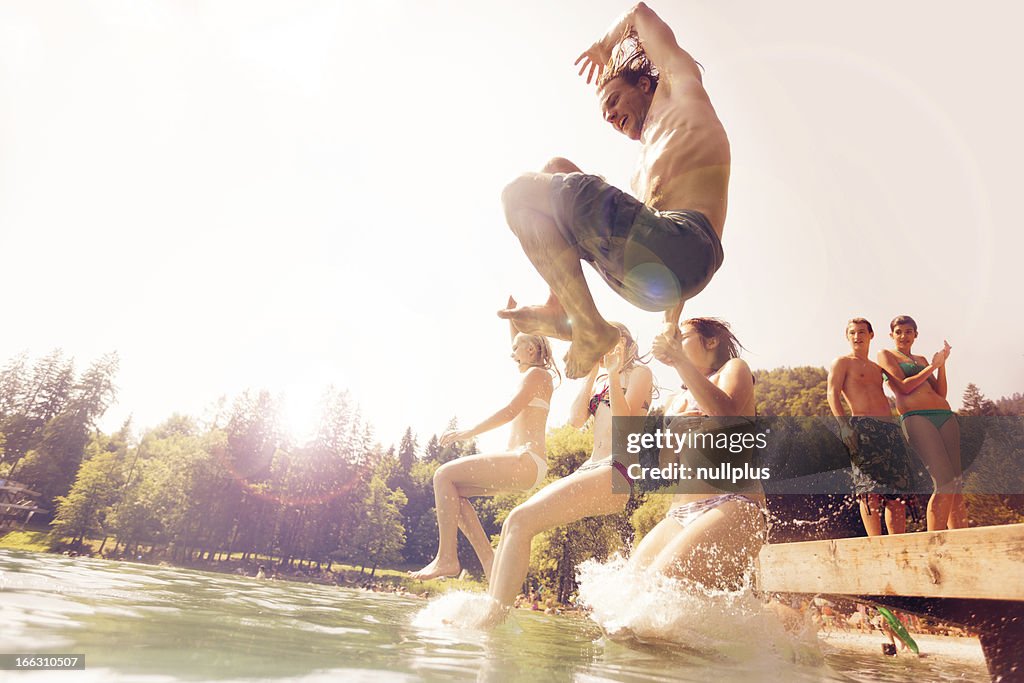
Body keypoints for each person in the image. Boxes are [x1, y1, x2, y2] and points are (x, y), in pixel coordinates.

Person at [498, 2, 730, 378]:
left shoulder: (680, 92)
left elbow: (639, 12)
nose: (609, 116)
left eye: (613, 101)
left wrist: (604, 47)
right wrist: (671, 322)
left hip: (688, 241)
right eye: (604, 114)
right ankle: (566, 308)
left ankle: (587, 325)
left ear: (644, 85)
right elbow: (672, 272)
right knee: (554, 171)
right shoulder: (644, 168)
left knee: (518, 193)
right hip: (653, 280)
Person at [482, 324, 653, 621]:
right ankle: (490, 610)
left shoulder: (639, 374)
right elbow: (575, 420)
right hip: (592, 468)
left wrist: (612, 372)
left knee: (522, 520)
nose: (602, 348)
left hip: (617, 471)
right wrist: (592, 372)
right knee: (514, 521)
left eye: (607, 341)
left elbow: (625, 421)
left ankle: (492, 619)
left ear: (624, 342)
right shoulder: (600, 378)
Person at [409, 298, 558, 580]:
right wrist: (513, 321)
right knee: (453, 491)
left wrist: (468, 432)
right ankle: (489, 562)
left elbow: (510, 410)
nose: (512, 354)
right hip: (525, 464)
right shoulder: (536, 373)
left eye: (516, 349)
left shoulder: (537, 375)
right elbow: (523, 342)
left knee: (443, 475)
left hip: (526, 460)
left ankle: (446, 558)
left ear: (530, 349)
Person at [629, 318, 766, 588]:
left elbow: (725, 414)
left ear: (711, 341)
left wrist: (680, 361)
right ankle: (777, 620)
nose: (675, 340)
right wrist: (672, 435)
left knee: (659, 590)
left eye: (683, 336)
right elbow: (667, 467)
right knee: (629, 590)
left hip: (733, 503)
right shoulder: (673, 400)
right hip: (680, 512)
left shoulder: (734, 369)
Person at [827, 318, 915, 536]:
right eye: (853, 333)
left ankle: (898, 543)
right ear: (847, 337)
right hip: (862, 428)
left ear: (871, 335)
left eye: (862, 332)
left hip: (889, 430)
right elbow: (832, 393)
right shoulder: (842, 362)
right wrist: (844, 426)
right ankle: (875, 544)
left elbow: (902, 388)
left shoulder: (878, 368)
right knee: (869, 492)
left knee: (897, 493)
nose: (857, 337)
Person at [877, 315, 965, 531]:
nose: (903, 336)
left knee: (957, 484)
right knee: (944, 480)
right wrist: (932, 367)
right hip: (916, 417)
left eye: (908, 331)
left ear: (915, 335)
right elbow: (904, 387)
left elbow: (941, 392)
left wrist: (941, 365)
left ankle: (962, 542)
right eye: (898, 332)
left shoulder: (923, 359)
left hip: (944, 415)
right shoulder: (885, 355)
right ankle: (934, 542)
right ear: (891, 335)